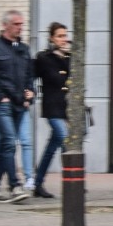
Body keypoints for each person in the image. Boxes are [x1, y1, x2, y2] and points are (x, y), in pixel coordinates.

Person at [0, 10, 34, 203]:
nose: (20, 27)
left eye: (21, 24)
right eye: (16, 24)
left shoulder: (23, 49)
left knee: (4, 146)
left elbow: (29, 74)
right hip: (3, 104)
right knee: (10, 142)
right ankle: (15, 185)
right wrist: (0, 97)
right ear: (6, 25)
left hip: (21, 104)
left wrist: (30, 92)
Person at [32, 22, 70, 199]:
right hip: (52, 107)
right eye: (60, 36)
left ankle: (37, 183)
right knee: (66, 141)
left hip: (65, 108)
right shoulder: (44, 58)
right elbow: (30, 75)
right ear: (52, 38)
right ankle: (73, 183)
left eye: (65, 35)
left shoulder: (69, 58)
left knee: (51, 147)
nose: (64, 39)